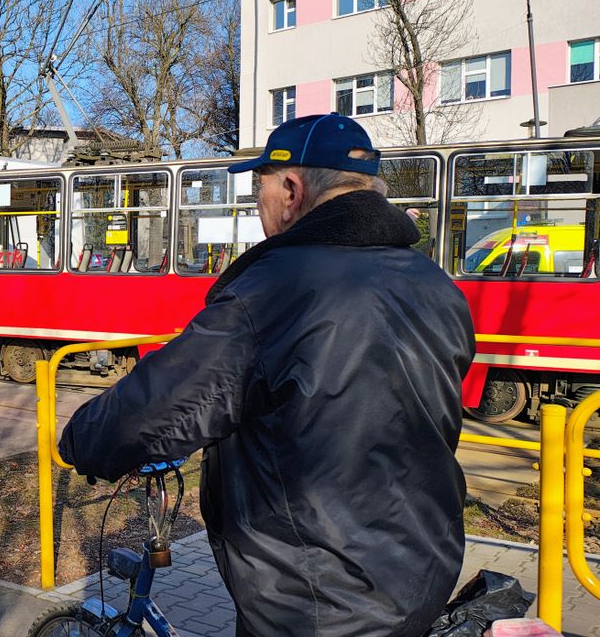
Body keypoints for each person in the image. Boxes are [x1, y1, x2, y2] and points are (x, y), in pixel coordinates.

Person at [59, 113, 475, 637]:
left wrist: (83, 438)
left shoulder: (280, 288)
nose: (259, 207)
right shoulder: (434, 283)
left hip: (317, 601)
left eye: (260, 190)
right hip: (421, 572)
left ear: (291, 189)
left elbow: (163, 406)